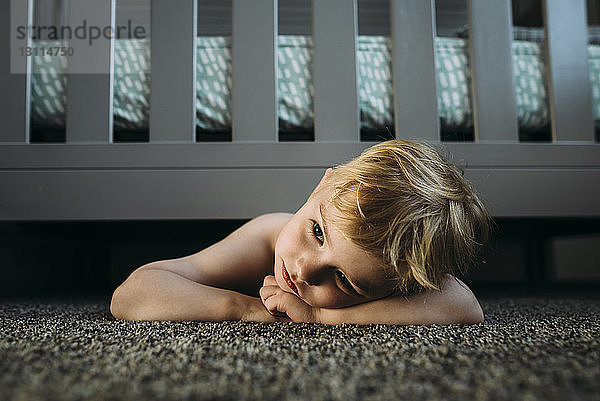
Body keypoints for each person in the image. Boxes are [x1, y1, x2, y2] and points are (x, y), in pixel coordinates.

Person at [110, 140, 491, 325]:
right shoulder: (268, 235)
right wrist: (242, 307)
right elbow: (133, 294)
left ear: (400, 290)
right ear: (320, 186)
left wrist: (319, 317)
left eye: (343, 279)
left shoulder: (396, 280)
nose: (306, 270)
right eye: (318, 232)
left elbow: (464, 307)